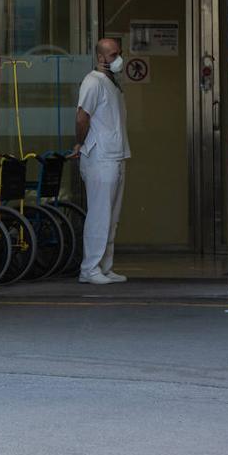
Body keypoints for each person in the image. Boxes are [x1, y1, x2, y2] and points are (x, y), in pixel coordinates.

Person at [71, 38, 130, 286]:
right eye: (113, 54)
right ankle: (90, 269)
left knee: (111, 216)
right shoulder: (93, 82)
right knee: (99, 215)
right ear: (101, 57)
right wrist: (80, 143)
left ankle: (105, 266)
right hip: (100, 157)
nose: (118, 58)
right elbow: (82, 117)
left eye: (119, 53)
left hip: (115, 155)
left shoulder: (111, 83)